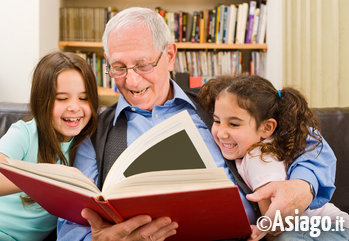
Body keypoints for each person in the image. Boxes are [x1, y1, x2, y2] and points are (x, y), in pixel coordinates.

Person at [57, 7, 337, 241]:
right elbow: (70, 226)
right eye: (118, 67)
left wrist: (304, 185)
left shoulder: (218, 101)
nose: (130, 81)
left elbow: (308, 140)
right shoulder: (93, 133)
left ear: (169, 56)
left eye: (143, 65)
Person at [198, 75, 349, 240]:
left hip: (326, 228)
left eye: (234, 124)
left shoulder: (258, 157)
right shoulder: (268, 143)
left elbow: (276, 218)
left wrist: (261, 230)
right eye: (217, 121)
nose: (221, 132)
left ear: (267, 127)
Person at [0, 51, 99, 241]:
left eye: (84, 98)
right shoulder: (25, 133)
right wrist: (48, 176)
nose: (74, 107)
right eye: (62, 98)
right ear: (41, 101)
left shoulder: (89, 144)